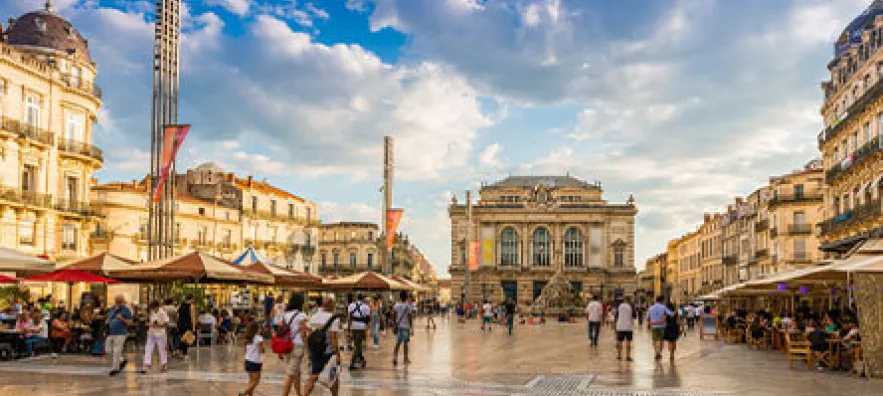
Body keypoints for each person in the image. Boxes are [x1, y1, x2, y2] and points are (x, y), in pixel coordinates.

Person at [303, 297, 342, 396]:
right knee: (334, 376)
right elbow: (333, 338)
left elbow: (308, 335)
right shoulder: (333, 318)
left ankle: (305, 394)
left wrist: (308, 351)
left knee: (314, 375)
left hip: (316, 351)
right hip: (328, 352)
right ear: (332, 306)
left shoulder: (314, 316)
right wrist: (337, 354)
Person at [281, 293, 309, 396]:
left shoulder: (285, 314)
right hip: (297, 346)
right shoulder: (302, 315)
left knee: (296, 371)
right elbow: (303, 334)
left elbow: (282, 331)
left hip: (287, 345)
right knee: (290, 374)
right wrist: (308, 348)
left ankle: (299, 394)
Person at [106, 295, 134, 376]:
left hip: (121, 333)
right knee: (108, 349)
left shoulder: (126, 310)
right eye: (117, 301)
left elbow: (130, 322)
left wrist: (122, 319)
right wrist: (108, 321)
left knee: (117, 350)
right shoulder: (112, 309)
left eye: (120, 301)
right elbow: (109, 318)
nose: (118, 303)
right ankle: (121, 360)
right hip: (111, 332)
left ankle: (115, 368)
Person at [140, 300, 169, 373]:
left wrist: (157, 325)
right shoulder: (152, 313)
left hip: (160, 334)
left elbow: (166, 324)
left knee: (162, 349)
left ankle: (164, 364)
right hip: (151, 333)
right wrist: (150, 324)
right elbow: (150, 322)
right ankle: (146, 364)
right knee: (148, 348)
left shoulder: (163, 313)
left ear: (157, 307)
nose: (151, 309)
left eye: (153, 308)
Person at [347, 293, 370, 370]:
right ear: (363, 298)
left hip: (353, 326)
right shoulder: (366, 307)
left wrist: (348, 328)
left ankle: (362, 360)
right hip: (361, 327)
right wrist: (367, 329)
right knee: (358, 345)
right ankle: (352, 362)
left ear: (356, 298)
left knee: (357, 344)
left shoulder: (351, 305)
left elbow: (349, 318)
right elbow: (367, 319)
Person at [240, 321, 264, 396]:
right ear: (257, 329)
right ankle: (244, 392)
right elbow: (261, 350)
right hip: (255, 361)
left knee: (251, 380)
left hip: (247, 360)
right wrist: (263, 347)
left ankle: (250, 394)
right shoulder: (259, 338)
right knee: (256, 381)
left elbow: (245, 350)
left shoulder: (247, 337)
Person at [647, 296, 673, 361]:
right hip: (662, 326)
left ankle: (657, 353)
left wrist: (648, 325)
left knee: (655, 340)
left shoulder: (650, 308)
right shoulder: (663, 307)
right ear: (662, 301)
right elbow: (671, 314)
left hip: (654, 326)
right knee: (661, 340)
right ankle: (659, 352)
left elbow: (648, 318)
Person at [392, 291, 414, 366]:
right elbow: (410, 317)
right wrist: (411, 327)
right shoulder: (408, 306)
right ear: (406, 297)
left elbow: (394, 315)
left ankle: (395, 357)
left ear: (400, 297)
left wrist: (394, 324)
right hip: (406, 327)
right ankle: (405, 358)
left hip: (399, 326)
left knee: (398, 342)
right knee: (405, 343)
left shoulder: (396, 305)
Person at [176, 295, 197, 360]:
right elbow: (192, 317)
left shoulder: (180, 305)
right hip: (187, 325)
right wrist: (193, 327)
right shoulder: (191, 306)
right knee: (186, 340)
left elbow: (177, 313)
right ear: (191, 299)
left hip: (180, 324)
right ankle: (184, 354)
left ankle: (179, 351)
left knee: (183, 338)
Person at [615, 298, 635, 362]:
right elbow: (634, 316)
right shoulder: (630, 306)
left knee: (619, 341)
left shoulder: (619, 306)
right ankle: (628, 356)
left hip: (620, 326)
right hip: (628, 327)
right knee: (628, 342)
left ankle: (619, 355)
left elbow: (616, 316)